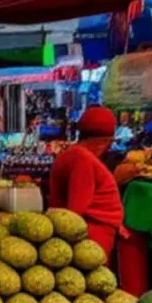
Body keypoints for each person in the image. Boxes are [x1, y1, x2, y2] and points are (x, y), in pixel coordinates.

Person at [48, 105, 124, 257]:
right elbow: (76, 210)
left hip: (89, 237)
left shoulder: (70, 155)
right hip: (91, 238)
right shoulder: (83, 160)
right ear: (104, 142)